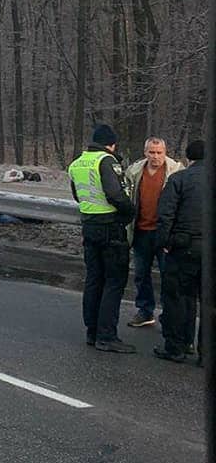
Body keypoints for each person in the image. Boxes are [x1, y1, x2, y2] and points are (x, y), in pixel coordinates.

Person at [67, 124, 136, 353]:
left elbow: (78, 195)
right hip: (110, 227)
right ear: (111, 144)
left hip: (89, 225)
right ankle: (107, 336)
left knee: (94, 279)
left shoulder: (76, 163)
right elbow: (116, 194)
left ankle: (92, 332)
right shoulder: (106, 161)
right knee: (114, 282)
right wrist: (129, 213)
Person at [153, 139, 205, 364]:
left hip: (184, 248)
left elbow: (165, 215)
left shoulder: (178, 179)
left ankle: (177, 346)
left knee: (178, 297)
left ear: (188, 158)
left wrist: (164, 243)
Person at [124, 138, 183, 328]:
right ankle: (145, 310)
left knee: (169, 276)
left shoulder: (176, 171)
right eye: (151, 152)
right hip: (141, 230)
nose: (155, 156)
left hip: (165, 233)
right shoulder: (135, 172)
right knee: (141, 274)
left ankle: (169, 314)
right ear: (145, 152)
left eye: (159, 152)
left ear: (165, 152)